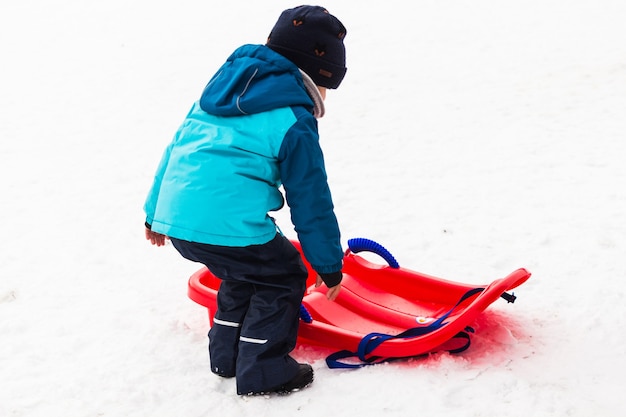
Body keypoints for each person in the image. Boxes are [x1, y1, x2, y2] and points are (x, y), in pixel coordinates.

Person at [143, 5, 347, 395]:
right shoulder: (292, 117)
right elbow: (310, 196)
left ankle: (227, 355)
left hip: (180, 222)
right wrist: (326, 262)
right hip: (227, 224)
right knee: (283, 275)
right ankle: (265, 370)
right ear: (311, 76)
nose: (324, 98)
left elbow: (175, 152)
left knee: (245, 271)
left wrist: (154, 215)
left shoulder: (213, 96)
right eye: (326, 87)